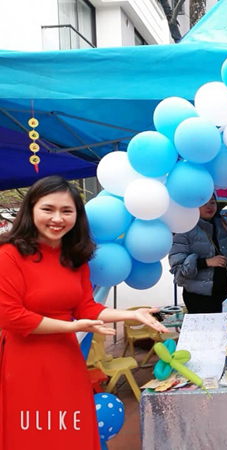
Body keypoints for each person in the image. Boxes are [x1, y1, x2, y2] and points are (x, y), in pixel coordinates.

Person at [0, 176, 168, 449]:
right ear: (31, 209)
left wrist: (131, 315)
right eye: (48, 209)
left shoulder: (74, 258)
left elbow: (85, 308)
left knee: (71, 428)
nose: (57, 218)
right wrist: (71, 327)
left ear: (77, 216)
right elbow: (10, 316)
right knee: (34, 431)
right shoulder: (9, 255)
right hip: (25, 361)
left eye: (67, 211)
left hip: (66, 358)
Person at [169, 195, 227, 314]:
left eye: (212, 202)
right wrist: (206, 262)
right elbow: (178, 268)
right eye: (204, 203)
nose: (209, 207)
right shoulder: (184, 229)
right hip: (199, 297)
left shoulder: (224, 224)